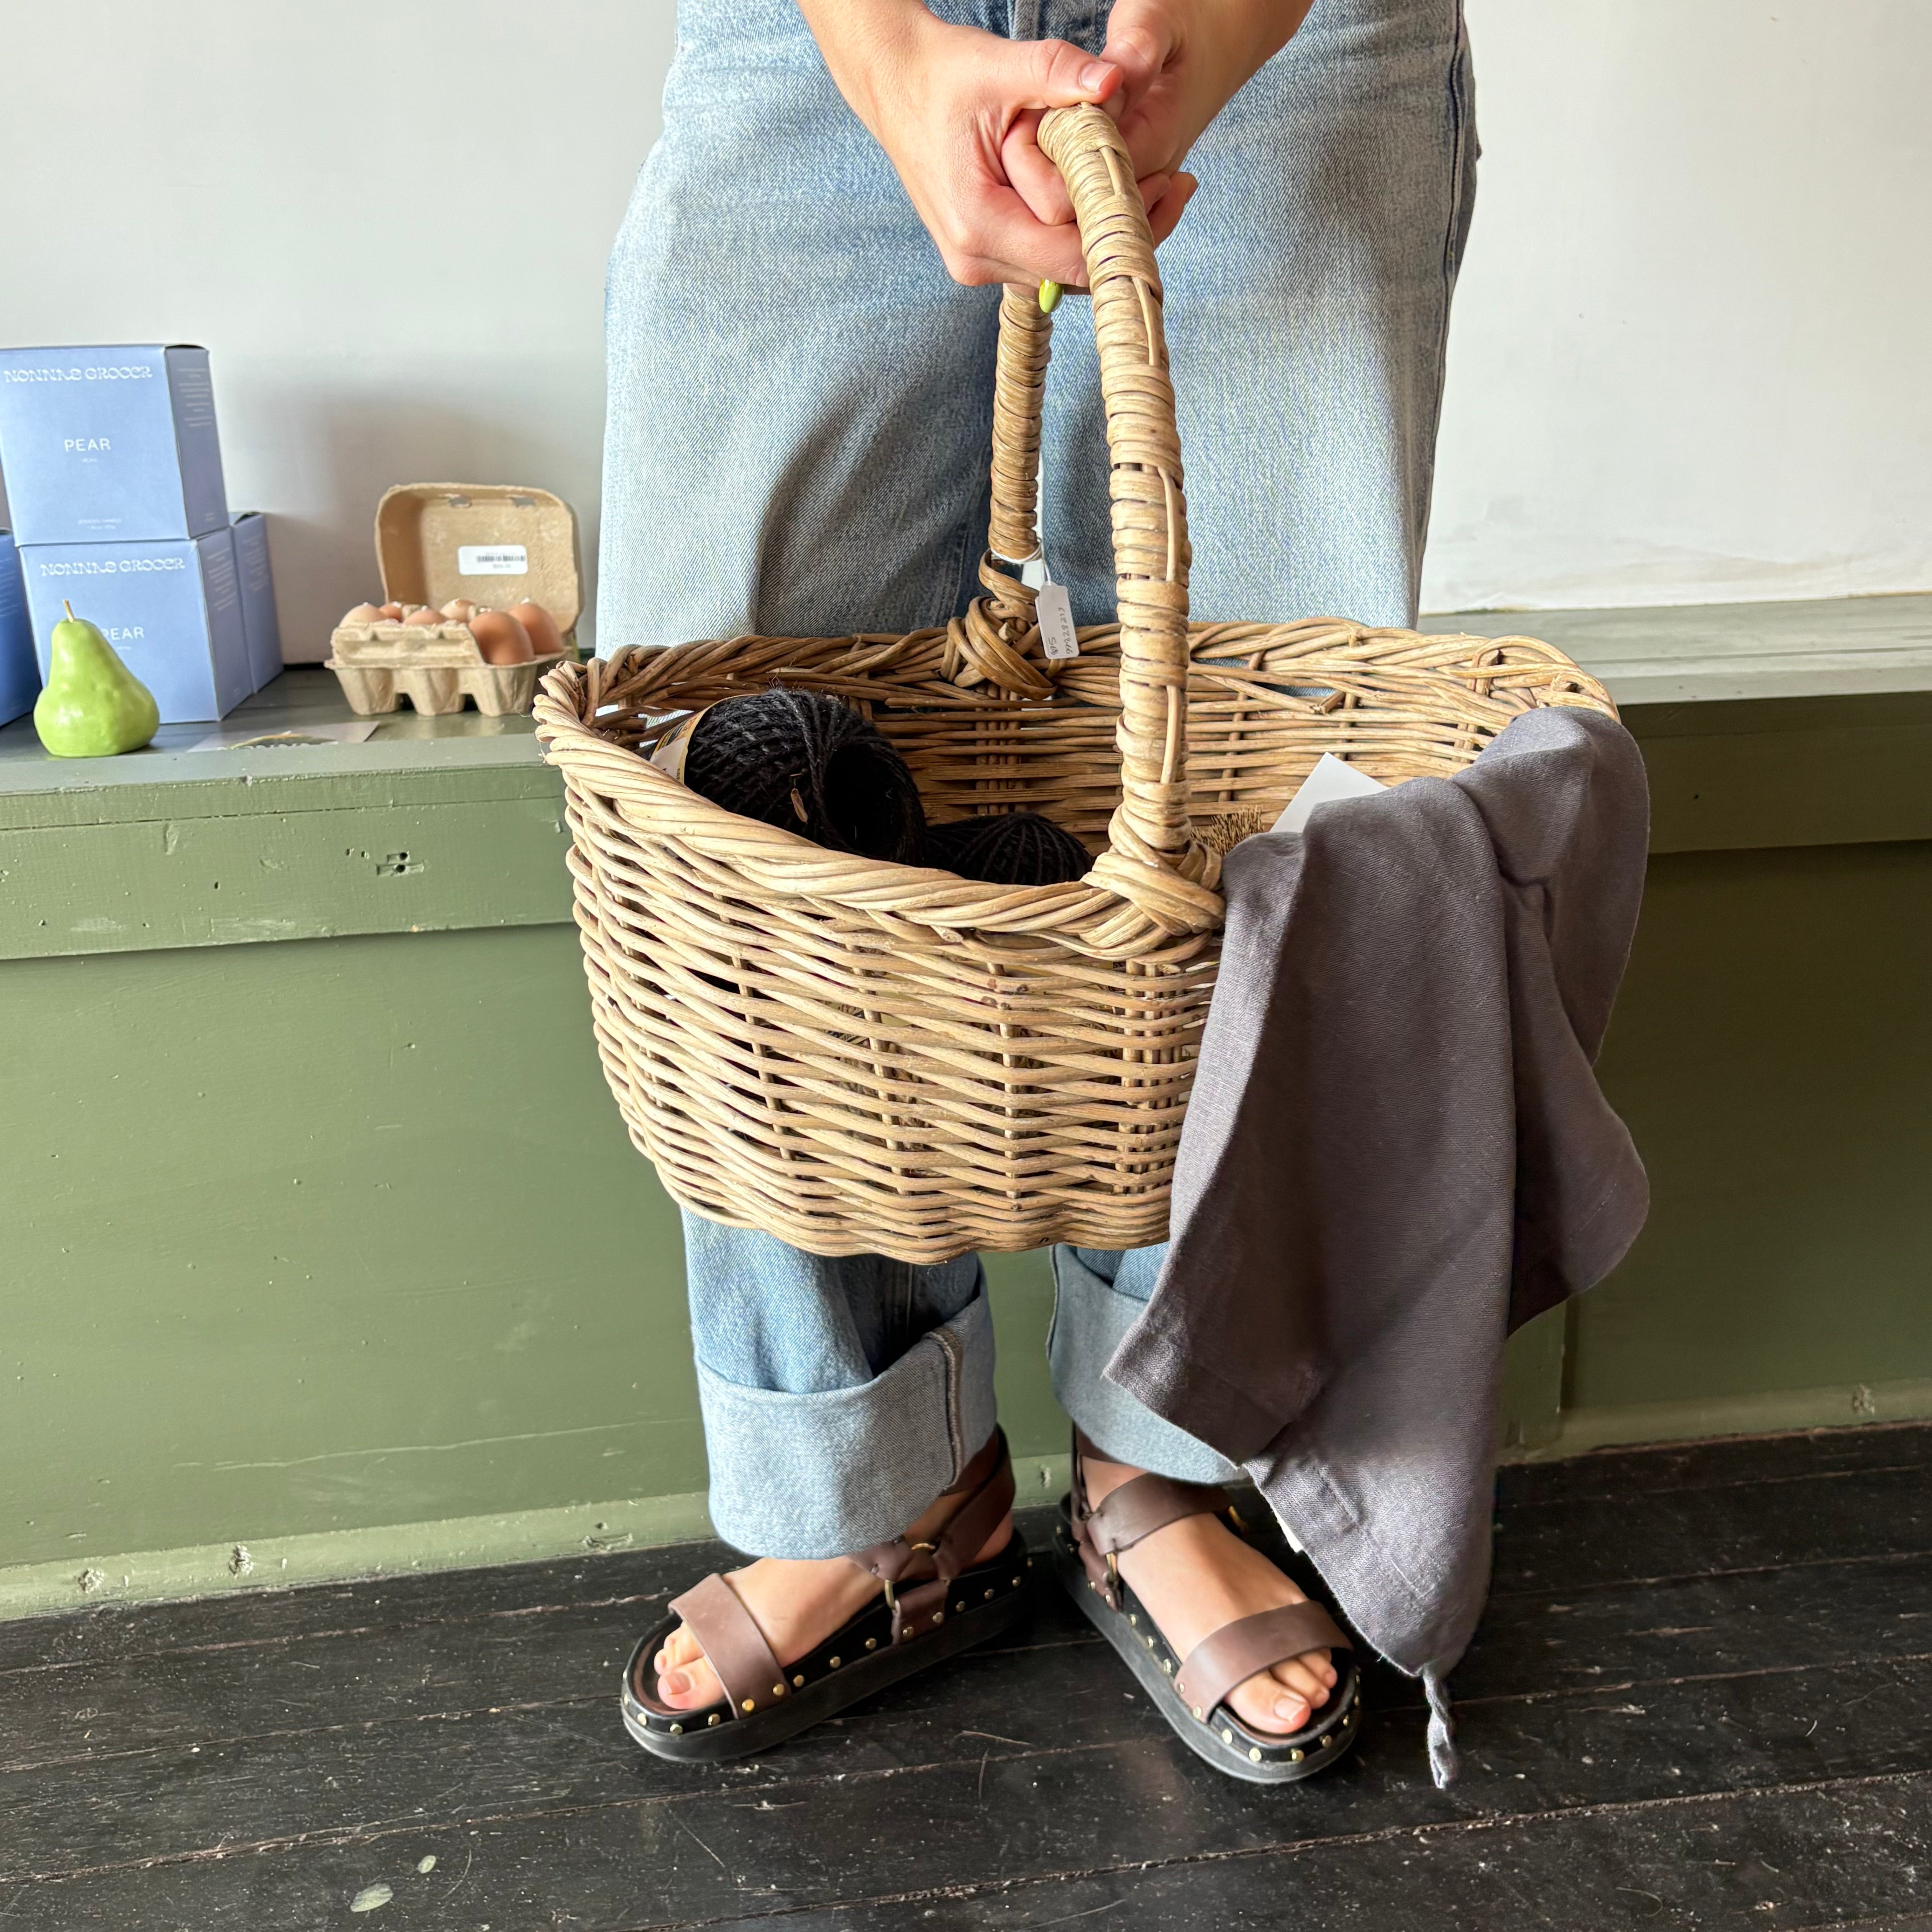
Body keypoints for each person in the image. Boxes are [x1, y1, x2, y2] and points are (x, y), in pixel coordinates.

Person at [598, 0, 1477, 1776]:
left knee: (1242, 721)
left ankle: (1166, 1454)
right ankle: (868, 1479)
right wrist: (873, 41)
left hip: (1290, 36)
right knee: (736, 761)